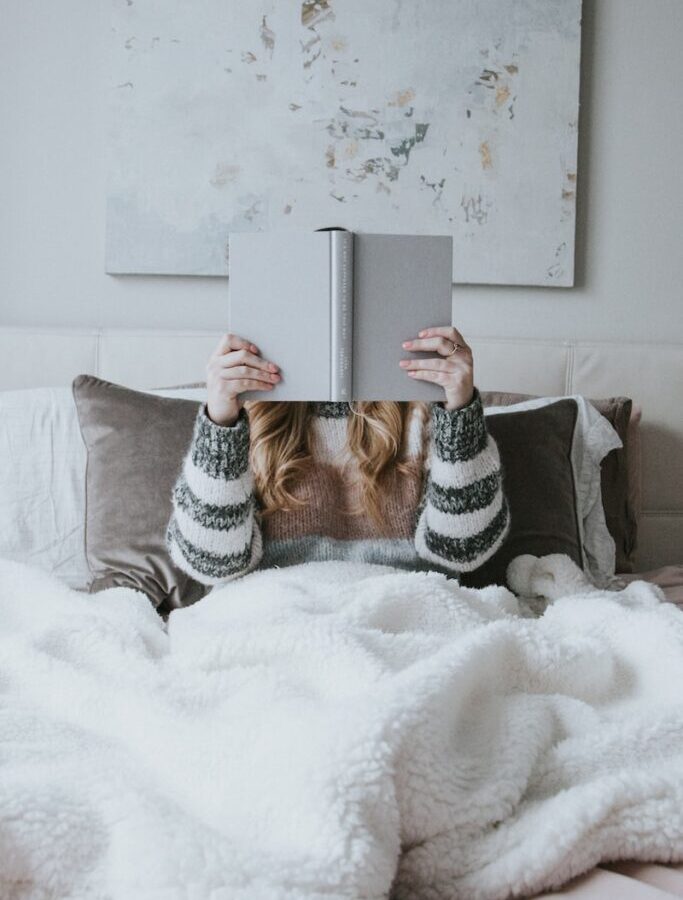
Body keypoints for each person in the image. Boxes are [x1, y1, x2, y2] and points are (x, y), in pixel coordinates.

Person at [165, 318, 511, 588]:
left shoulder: (426, 410)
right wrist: (221, 424)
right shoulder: (248, 415)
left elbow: (464, 549)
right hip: (276, 612)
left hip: (402, 605)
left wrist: (460, 413)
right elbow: (210, 561)